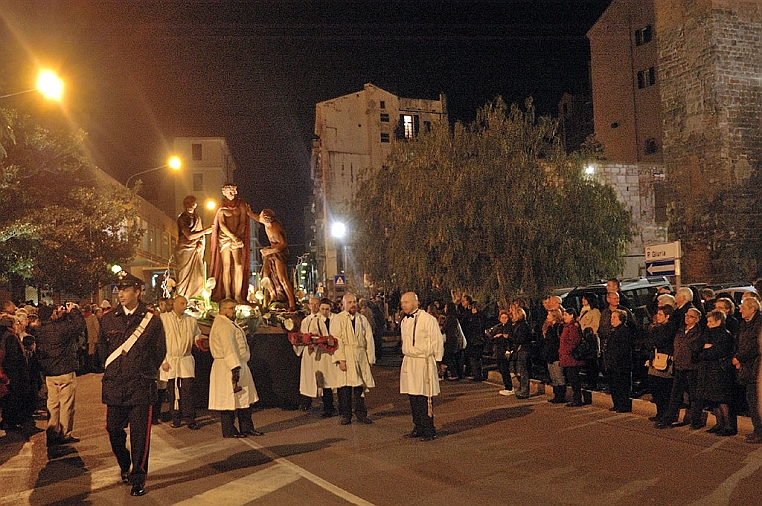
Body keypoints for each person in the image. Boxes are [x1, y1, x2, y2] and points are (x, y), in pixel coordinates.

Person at [100, 272, 167, 497]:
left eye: (126, 289)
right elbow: (102, 350)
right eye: (119, 290)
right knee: (113, 429)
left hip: (140, 385)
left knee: (140, 435)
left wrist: (144, 370)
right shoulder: (108, 318)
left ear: (137, 292)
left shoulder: (152, 320)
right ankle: (124, 462)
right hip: (115, 385)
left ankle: (138, 478)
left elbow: (159, 351)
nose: (121, 293)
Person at [208, 299, 263, 438]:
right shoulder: (223, 325)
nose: (234, 311)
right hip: (228, 366)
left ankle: (246, 427)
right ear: (223, 309)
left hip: (239, 363)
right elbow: (229, 348)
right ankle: (229, 430)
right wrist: (234, 368)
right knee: (229, 400)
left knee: (244, 398)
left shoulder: (228, 323)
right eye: (231, 308)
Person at [35, 302, 85, 447]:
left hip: (50, 373)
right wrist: (74, 311)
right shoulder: (61, 329)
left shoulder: (40, 331)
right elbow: (79, 326)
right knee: (66, 404)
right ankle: (64, 433)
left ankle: (52, 432)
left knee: (53, 404)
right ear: (52, 315)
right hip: (64, 371)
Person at [399, 292, 443, 442]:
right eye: (402, 302)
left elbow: (437, 340)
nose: (403, 304)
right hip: (410, 361)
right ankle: (417, 426)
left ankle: (429, 429)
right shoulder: (404, 321)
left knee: (424, 396)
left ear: (415, 302)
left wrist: (438, 361)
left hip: (423, 361)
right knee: (413, 395)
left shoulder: (428, 320)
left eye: (406, 302)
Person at [328, 293, 375, 425]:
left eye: (354, 302)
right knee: (345, 387)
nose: (352, 305)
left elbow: (369, 339)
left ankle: (361, 413)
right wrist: (341, 359)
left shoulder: (362, 319)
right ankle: (346, 415)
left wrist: (370, 358)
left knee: (359, 386)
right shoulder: (338, 319)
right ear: (343, 304)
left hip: (359, 354)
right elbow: (337, 340)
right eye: (349, 302)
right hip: (347, 354)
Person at [656, 307, 704, 429]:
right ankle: (668, 419)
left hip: (691, 368)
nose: (687, 318)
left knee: (694, 396)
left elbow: (695, 348)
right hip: (679, 367)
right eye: (686, 315)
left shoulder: (698, 333)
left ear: (697, 319)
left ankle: (695, 421)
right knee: (675, 395)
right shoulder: (680, 331)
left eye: (690, 316)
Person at [159, 295, 202, 430]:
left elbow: (197, 336)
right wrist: (163, 361)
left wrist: (201, 340)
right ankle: (176, 417)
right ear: (175, 304)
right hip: (171, 360)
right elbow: (159, 342)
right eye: (182, 303)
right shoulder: (164, 319)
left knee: (188, 391)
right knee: (172, 391)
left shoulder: (191, 320)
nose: (185, 306)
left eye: (186, 303)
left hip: (185, 360)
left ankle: (190, 418)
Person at [695, 310, 735, 436]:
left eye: (710, 321)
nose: (708, 324)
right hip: (707, 371)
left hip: (718, 372)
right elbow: (695, 347)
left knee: (721, 399)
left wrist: (705, 351)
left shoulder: (724, 335)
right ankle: (719, 423)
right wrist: (704, 349)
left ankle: (728, 426)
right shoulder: (707, 333)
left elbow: (716, 352)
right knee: (712, 400)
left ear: (718, 321)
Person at [248, 208, 297, 310]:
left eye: (262, 216)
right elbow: (258, 218)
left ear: (267, 219)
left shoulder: (275, 227)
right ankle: (273, 295)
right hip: (271, 250)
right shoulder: (266, 223)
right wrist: (249, 213)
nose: (260, 218)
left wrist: (269, 251)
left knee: (282, 278)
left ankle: (292, 303)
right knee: (265, 275)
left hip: (279, 252)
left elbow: (283, 244)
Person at [295, 296, 337, 415]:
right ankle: (306, 402)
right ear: (308, 306)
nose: (314, 306)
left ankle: (328, 406)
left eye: (316, 304)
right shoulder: (305, 321)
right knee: (309, 379)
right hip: (309, 355)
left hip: (322, 353)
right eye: (311, 304)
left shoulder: (323, 319)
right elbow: (303, 336)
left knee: (325, 380)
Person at [209, 184, 251, 303]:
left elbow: (243, 222)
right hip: (225, 238)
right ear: (224, 193)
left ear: (235, 191)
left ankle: (238, 295)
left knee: (238, 265)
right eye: (228, 191)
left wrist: (237, 236)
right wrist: (232, 237)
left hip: (237, 236)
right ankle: (227, 294)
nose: (231, 193)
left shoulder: (241, 205)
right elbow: (221, 224)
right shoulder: (221, 207)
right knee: (226, 266)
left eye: (232, 191)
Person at [732, 297, 762, 443]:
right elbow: (740, 343)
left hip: (755, 368)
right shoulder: (744, 324)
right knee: (751, 401)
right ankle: (757, 430)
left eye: (743, 307)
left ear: (752, 309)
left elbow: (756, 346)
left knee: (756, 402)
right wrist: (737, 358)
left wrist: (740, 358)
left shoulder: (759, 324)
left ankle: (760, 432)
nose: (740, 310)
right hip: (746, 367)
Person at [175, 195, 212, 299]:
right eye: (187, 203)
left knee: (198, 274)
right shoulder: (183, 218)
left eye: (192, 203)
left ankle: (196, 297)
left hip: (196, 249)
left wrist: (200, 242)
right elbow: (189, 235)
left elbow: (199, 235)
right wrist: (206, 231)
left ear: (196, 205)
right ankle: (182, 297)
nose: (190, 206)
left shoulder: (197, 218)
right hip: (186, 249)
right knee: (184, 274)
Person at [645, 306, 675, 423]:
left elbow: (660, 341)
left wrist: (654, 334)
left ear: (667, 316)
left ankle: (666, 414)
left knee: (664, 389)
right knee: (655, 387)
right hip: (654, 359)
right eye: (657, 314)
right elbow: (649, 343)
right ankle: (659, 412)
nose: (658, 316)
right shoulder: (656, 328)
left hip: (664, 361)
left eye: (661, 314)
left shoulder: (669, 328)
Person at [604, 309, 635, 413]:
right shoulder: (612, 331)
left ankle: (623, 405)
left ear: (621, 320)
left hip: (621, 365)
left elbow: (623, 349)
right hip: (612, 365)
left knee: (622, 386)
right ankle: (616, 404)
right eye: (611, 317)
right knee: (614, 386)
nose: (611, 319)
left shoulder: (624, 331)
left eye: (614, 317)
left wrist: (615, 359)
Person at [559, 308, 586, 407]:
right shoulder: (567, 326)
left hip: (572, 358)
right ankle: (576, 399)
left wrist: (566, 351)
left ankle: (577, 399)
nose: (564, 317)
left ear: (571, 315)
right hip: (567, 357)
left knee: (574, 379)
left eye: (566, 314)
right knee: (572, 378)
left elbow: (574, 341)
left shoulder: (573, 327)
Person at [487, 309, 514, 395]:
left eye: (505, 317)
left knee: (505, 369)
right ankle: (507, 387)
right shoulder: (498, 327)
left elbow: (509, 338)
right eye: (502, 317)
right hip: (498, 350)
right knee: (501, 369)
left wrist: (501, 336)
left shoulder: (509, 327)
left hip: (505, 350)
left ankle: (509, 387)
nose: (504, 319)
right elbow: (491, 337)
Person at [542, 308, 566, 403]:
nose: (547, 317)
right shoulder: (550, 327)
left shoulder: (558, 327)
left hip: (556, 355)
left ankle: (561, 396)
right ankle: (556, 395)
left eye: (549, 315)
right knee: (553, 377)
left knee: (559, 376)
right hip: (550, 355)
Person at [578, 293, 601, 391]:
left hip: (591, 339)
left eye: (585, 298)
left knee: (592, 362)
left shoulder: (594, 311)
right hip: (584, 338)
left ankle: (593, 383)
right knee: (587, 362)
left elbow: (596, 325)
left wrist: (589, 333)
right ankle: (589, 381)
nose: (583, 300)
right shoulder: (583, 310)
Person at [459, 295, 484, 381]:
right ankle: (473, 372)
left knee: (474, 356)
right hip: (470, 337)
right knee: (471, 356)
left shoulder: (473, 313)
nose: (462, 303)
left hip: (474, 338)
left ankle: (477, 374)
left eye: (463, 301)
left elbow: (474, 324)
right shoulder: (465, 312)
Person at [509, 305, 532, 399]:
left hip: (523, 349)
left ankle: (524, 390)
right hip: (521, 349)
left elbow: (520, 339)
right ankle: (522, 388)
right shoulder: (519, 325)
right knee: (519, 370)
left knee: (523, 371)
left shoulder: (522, 326)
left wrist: (510, 337)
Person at [440, 302, 465, 381]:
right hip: (455, 340)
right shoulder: (454, 318)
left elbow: (444, 329)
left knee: (448, 357)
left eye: (445, 306)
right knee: (455, 358)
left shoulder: (450, 318)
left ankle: (454, 374)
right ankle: (458, 374)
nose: (444, 308)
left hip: (451, 340)